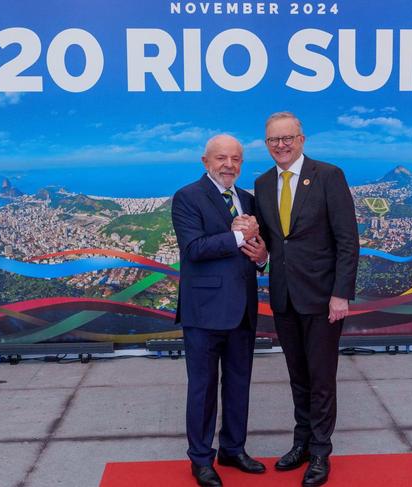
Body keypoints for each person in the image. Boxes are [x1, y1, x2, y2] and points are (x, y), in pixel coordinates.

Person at [252, 112, 359, 486]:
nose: (280, 145)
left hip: (323, 298)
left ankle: (320, 452)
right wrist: (258, 255)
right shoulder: (262, 183)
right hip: (283, 297)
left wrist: (340, 295)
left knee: (321, 378)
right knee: (298, 377)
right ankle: (300, 443)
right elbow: (269, 241)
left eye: (287, 138)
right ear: (266, 145)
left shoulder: (329, 176)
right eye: (273, 140)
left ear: (302, 139)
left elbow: (347, 241)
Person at [172, 134, 268, 487]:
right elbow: (194, 248)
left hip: (243, 309)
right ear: (205, 161)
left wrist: (262, 257)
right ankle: (200, 459)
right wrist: (240, 237)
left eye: (236, 159)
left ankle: (233, 449)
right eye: (222, 158)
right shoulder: (187, 197)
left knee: (239, 384)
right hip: (204, 311)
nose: (229, 165)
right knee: (203, 386)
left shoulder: (247, 199)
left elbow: (258, 249)